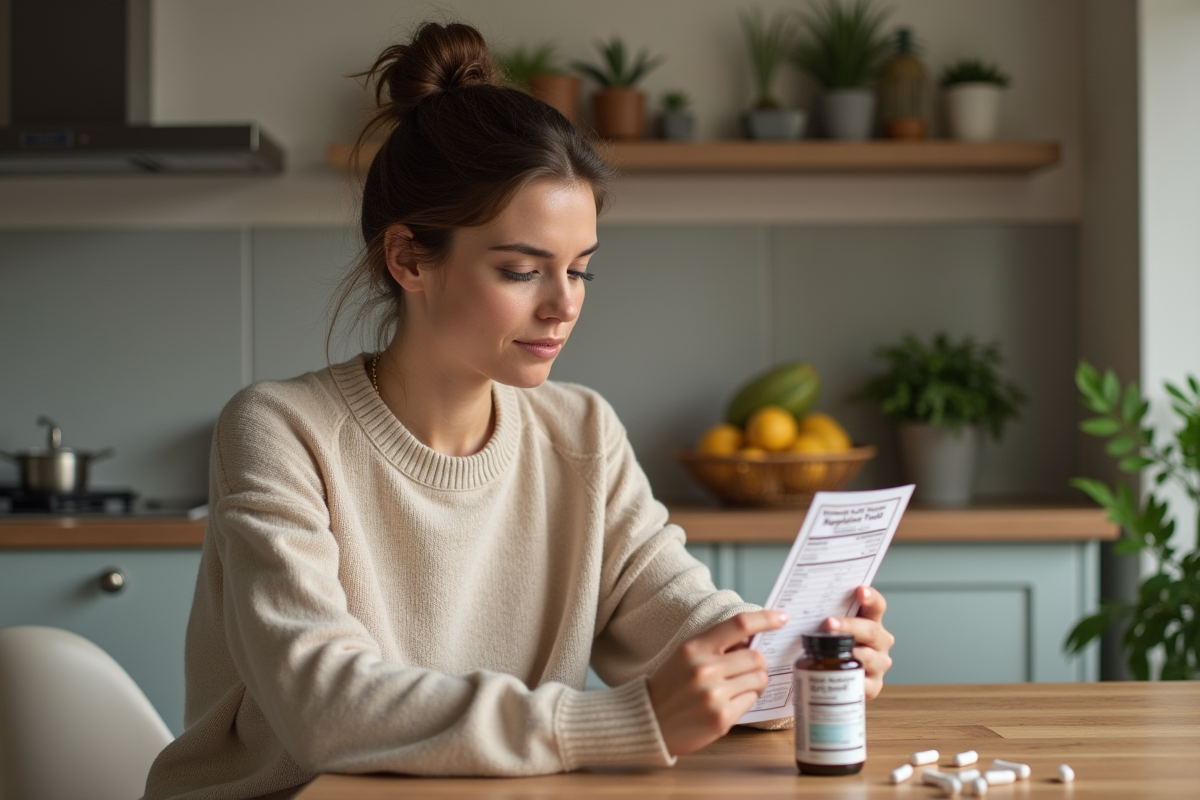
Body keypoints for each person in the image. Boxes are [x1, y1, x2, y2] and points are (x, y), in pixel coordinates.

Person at [141, 21, 893, 800]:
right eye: (520, 270)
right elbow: (323, 706)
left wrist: (796, 657)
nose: (563, 305)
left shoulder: (583, 432)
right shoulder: (279, 429)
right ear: (407, 259)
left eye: (581, 272)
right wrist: (617, 724)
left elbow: (676, 616)